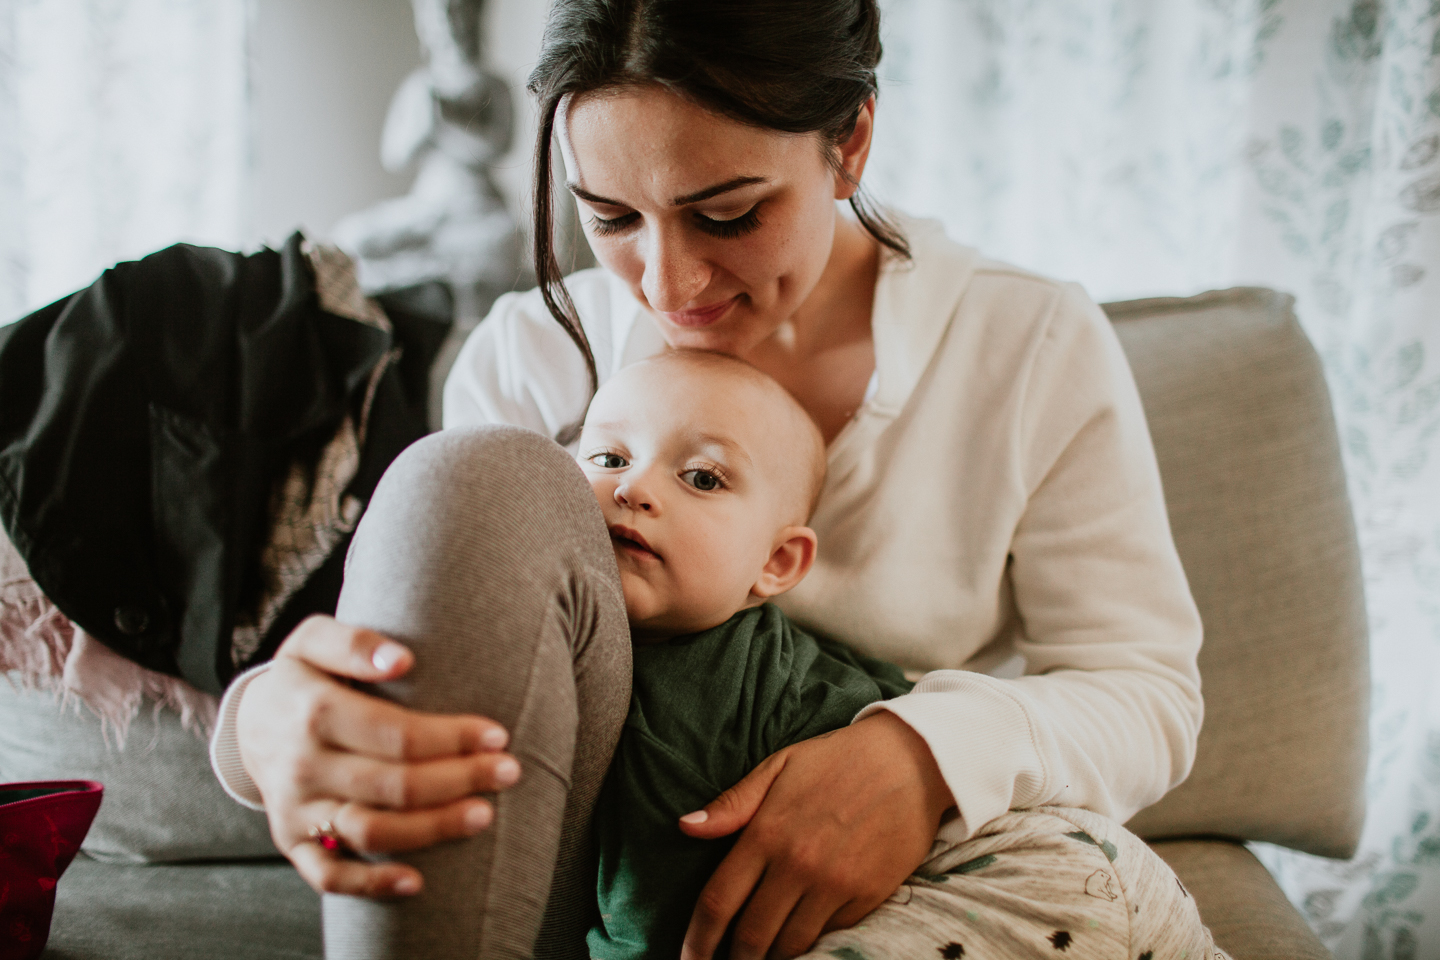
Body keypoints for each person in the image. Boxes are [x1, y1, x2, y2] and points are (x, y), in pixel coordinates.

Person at [209, 1, 1206, 958]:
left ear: (850, 140)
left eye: (727, 215)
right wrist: (259, 727)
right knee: (469, 476)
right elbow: (422, 654)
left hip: (895, 896)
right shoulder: (533, 354)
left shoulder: (1025, 344)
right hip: (579, 867)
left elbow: (1147, 691)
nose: (665, 283)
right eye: (608, 217)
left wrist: (920, 755)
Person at [575, 350, 1223, 960]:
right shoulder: (792, 659)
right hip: (1103, 868)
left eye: (702, 477)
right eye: (606, 457)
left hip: (1018, 880)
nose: (633, 488)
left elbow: (654, 924)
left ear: (776, 564)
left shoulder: (678, 692)